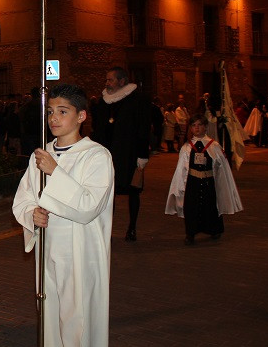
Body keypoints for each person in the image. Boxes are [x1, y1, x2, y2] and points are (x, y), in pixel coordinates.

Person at [12, 83, 114, 347]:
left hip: (81, 256)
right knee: (52, 327)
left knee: (78, 325)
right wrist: (33, 213)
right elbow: (24, 197)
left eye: (63, 111)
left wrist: (56, 172)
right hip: (49, 253)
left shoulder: (96, 156)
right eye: (51, 112)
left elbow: (88, 206)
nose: (54, 118)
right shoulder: (40, 157)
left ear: (81, 116)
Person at [91, 67, 151, 242]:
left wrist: (142, 154)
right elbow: (98, 128)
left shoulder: (138, 101)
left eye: (111, 80)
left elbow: (143, 128)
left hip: (130, 155)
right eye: (107, 80)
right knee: (109, 194)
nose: (107, 83)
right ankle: (106, 229)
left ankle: (132, 227)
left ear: (122, 81)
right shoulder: (103, 102)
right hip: (107, 156)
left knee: (133, 192)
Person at [165, 113, 243, 245]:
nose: (197, 128)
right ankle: (191, 233)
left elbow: (222, 167)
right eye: (194, 125)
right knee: (192, 208)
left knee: (211, 206)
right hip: (193, 182)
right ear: (190, 128)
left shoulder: (214, 146)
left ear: (205, 127)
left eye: (200, 125)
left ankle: (214, 229)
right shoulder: (187, 147)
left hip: (209, 182)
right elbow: (181, 169)